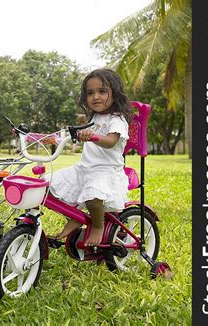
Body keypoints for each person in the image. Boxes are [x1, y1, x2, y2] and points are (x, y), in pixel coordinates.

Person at [48, 68, 132, 247]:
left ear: (114, 93)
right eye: (90, 93)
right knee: (49, 185)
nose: (96, 97)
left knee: (93, 196)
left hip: (106, 171)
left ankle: (97, 224)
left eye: (102, 91)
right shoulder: (93, 117)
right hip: (84, 168)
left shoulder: (117, 120)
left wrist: (93, 136)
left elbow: (110, 141)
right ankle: (77, 217)